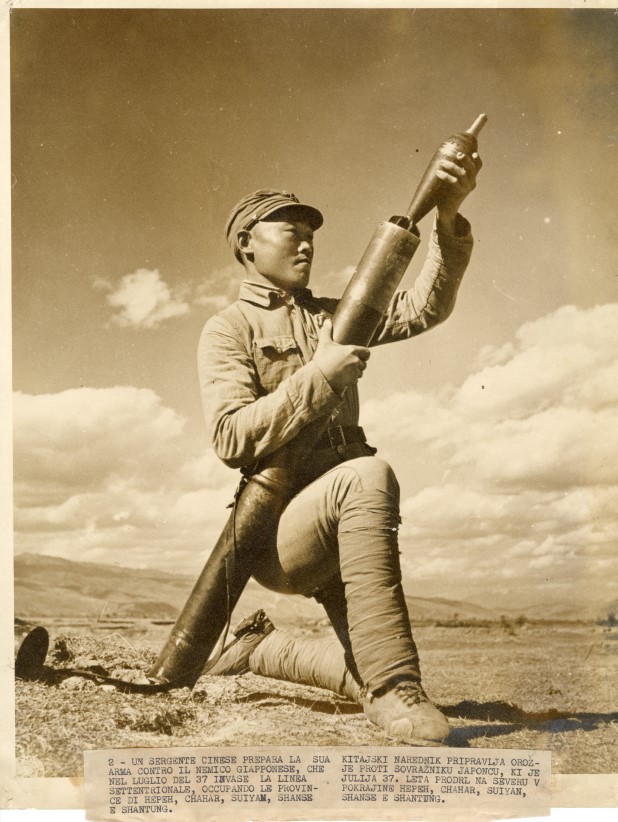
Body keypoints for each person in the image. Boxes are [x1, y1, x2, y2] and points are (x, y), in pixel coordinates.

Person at [197, 149, 481, 744]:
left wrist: (448, 218)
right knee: (369, 475)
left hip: (345, 523)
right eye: (291, 232)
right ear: (246, 243)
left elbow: (425, 308)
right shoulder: (229, 329)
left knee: (366, 666)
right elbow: (230, 436)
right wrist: (320, 375)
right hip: (277, 529)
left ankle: (262, 649)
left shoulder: (334, 316)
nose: (307, 244)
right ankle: (399, 682)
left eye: (311, 236)